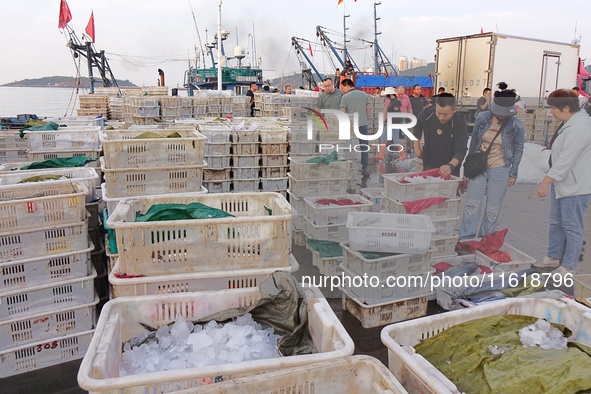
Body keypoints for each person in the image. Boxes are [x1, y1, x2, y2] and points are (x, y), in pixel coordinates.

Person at [533, 89, 591, 274]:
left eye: (553, 108)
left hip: (575, 186)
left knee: (572, 226)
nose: (551, 112)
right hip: (563, 182)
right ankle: (552, 257)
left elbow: (567, 158)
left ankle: (568, 266)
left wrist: (546, 181)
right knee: (556, 222)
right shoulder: (570, 122)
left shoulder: (580, 127)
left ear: (566, 107)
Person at [459, 89, 525, 239]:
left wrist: (513, 172)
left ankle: (485, 240)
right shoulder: (482, 118)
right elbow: (474, 141)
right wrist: (467, 168)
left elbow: (519, 149)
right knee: (472, 205)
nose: (501, 115)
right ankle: (465, 239)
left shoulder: (516, 125)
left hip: (501, 168)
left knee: (492, 209)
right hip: (478, 167)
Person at [412, 93, 469, 177]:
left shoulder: (459, 123)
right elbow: (417, 127)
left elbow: (461, 150)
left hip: (449, 165)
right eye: (438, 113)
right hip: (429, 161)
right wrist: (416, 146)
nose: (441, 117)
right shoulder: (428, 113)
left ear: (455, 110)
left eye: (446, 114)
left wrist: (451, 165)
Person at [340, 78, 371, 177]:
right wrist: (366, 120)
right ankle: (365, 168)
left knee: (349, 147)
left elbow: (342, 113)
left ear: (347, 86)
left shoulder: (345, 97)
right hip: (363, 125)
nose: (343, 90)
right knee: (364, 147)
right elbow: (368, 110)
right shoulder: (364, 95)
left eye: (343, 87)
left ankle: (349, 168)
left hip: (351, 126)